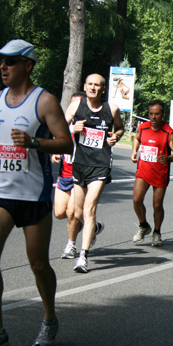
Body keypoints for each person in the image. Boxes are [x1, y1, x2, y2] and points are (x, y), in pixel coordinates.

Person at [0, 39, 73, 346]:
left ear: (27, 65)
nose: (3, 67)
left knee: (38, 264)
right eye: (1, 62)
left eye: (10, 62)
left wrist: (35, 143)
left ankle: (49, 319)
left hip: (33, 195)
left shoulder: (44, 101)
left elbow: (66, 144)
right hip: (0, 192)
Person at [65, 73, 124, 273]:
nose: (93, 88)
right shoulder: (75, 106)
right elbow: (60, 128)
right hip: (79, 163)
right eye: (90, 84)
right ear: (85, 86)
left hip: (100, 165)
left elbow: (120, 128)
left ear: (103, 89)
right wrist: (73, 127)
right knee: (77, 212)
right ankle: (93, 231)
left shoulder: (111, 109)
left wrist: (114, 137)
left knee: (89, 209)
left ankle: (83, 256)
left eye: (97, 85)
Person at [131, 99, 173, 246]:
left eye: (157, 114)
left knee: (157, 204)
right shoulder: (142, 128)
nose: (153, 117)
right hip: (143, 170)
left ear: (162, 114)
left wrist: (168, 158)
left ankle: (157, 232)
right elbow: (137, 139)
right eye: (151, 114)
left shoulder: (168, 132)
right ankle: (143, 225)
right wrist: (134, 151)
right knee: (136, 199)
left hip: (160, 172)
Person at [52, 91, 86, 260]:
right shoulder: (64, 126)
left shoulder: (88, 126)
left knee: (72, 212)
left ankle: (71, 245)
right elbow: (56, 140)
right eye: (72, 105)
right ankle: (91, 227)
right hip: (64, 175)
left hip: (80, 176)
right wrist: (55, 153)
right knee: (59, 213)